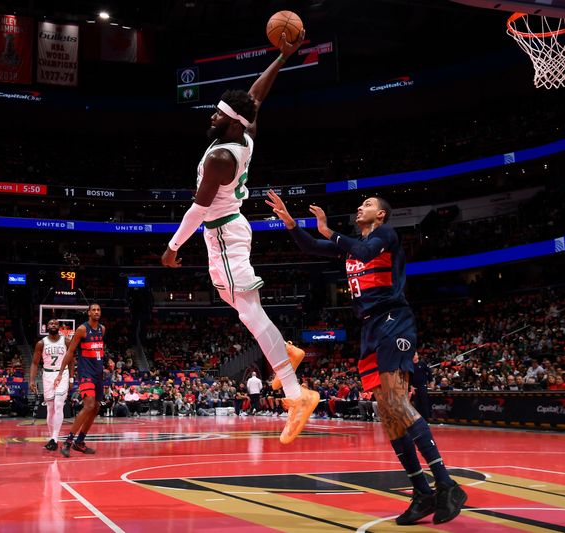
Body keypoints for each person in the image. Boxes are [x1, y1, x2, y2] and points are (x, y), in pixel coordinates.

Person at [265, 191, 467, 525]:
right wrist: (290, 224)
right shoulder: (351, 245)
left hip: (393, 320)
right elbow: (310, 247)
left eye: (369, 205)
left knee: (396, 403)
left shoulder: (386, 236)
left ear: (382, 216)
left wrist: (329, 230)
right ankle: (422, 490)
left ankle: (446, 483)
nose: (361, 207)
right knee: (386, 413)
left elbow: (363, 249)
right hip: (370, 328)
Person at [160, 29, 318, 444]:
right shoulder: (244, 135)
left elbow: (196, 209)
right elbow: (256, 95)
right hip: (231, 230)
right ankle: (286, 350)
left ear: (231, 121)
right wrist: (282, 58)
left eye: (216, 114)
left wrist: (173, 247)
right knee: (242, 306)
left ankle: (296, 394)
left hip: (224, 235)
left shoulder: (220, 157)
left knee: (249, 314)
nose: (210, 117)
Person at [54, 303, 114, 457]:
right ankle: (68, 442)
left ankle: (79, 442)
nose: (96, 312)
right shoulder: (82, 329)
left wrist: (108, 361)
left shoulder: (102, 329)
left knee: (95, 408)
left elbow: (99, 348)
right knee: (88, 405)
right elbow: (70, 352)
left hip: (98, 374)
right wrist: (61, 373)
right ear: (88, 313)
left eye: (98, 309)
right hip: (86, 373)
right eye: (93, 310)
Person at [29, 319, 74, 451]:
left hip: (62, 374)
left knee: (59, 404)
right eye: (50, 324)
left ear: (59, 327)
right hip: (47, 375)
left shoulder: (65, 341)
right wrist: (31, 380)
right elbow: (35, 363)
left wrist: (71, 378)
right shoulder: (41, 343)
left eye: (55, 324)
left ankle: (54, 438)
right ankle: (52, 438)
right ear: (46, 327)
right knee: (50, 408)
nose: (53, 325)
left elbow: (72, 361)